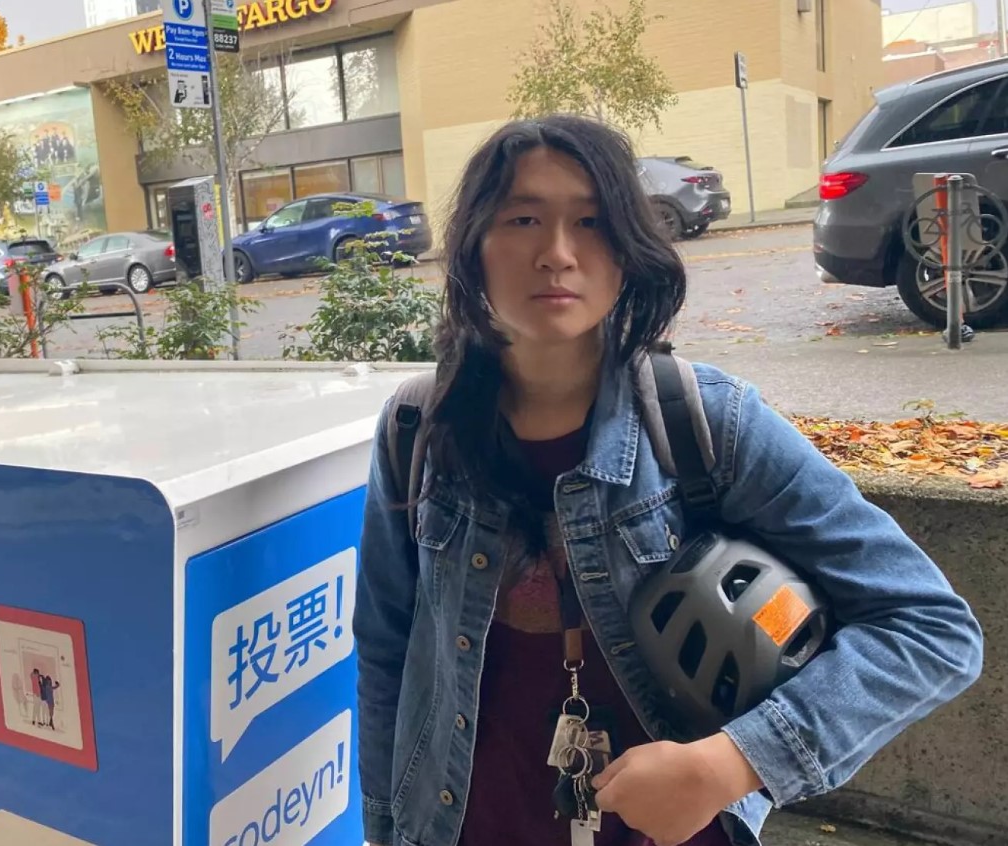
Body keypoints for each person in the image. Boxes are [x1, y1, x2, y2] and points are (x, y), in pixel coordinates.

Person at [352, 114, 984, 846]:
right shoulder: (417, 431)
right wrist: (385, 829)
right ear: (473, 248)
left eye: (591, 222)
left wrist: (733, 764)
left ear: (627, 253)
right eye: (522, 218)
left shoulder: (706, 420)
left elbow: (933, 629)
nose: (557, 254)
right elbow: (386, 654)